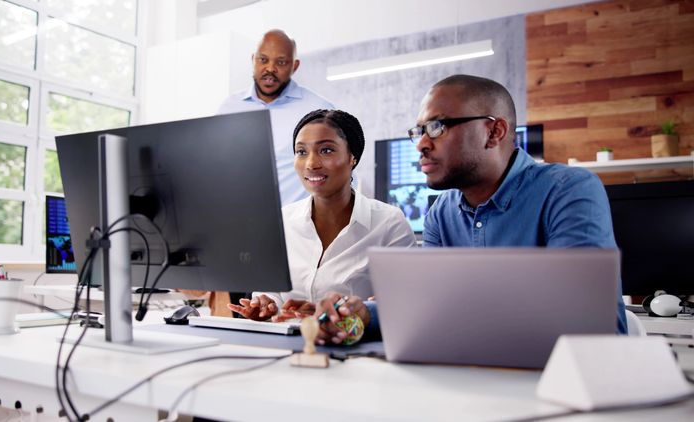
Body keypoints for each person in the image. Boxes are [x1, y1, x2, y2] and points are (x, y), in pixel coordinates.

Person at [315, 74, 627, 345]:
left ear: (494, 132)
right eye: (419, 131)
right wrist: (361, 313)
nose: (421, 144)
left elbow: (583, 320)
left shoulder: (567, 189)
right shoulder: (441, 214)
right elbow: (430, 305)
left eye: (437, 127)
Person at [228, 109, 416, 321]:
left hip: (353, 349)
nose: (311, 164)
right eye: (301, 152)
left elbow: (405, 305)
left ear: (352, 157)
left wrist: (352, 314)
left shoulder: (389, 223)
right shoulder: (282, 221)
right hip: (288, 346)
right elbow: (272, 293)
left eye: (326, 150)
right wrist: (265, 304)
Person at [217, 29, 334, 206]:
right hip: (237, 217)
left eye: (281, 62)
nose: (270, 68)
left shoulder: (319, 111)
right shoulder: (229, 107)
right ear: (253, 60)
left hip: (298, 227)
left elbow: (342, 175)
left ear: (294, 66)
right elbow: (216, 166)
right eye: (263, 60)